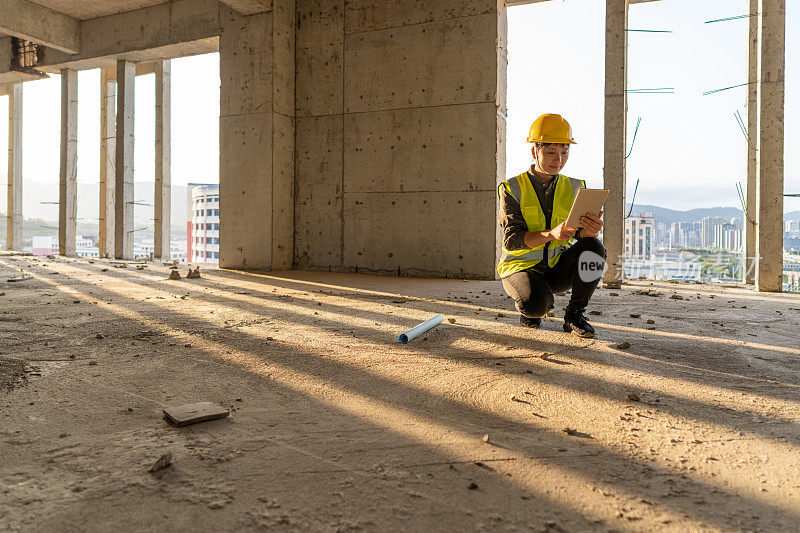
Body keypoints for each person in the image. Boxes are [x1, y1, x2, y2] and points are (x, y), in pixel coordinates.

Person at [497, 114, 606, 338]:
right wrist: (550, 234)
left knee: (595, 248)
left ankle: (575, 314)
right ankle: (533, 306)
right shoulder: (512, 188)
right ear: (534, 151)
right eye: (550, 152)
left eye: (564, 152)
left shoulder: (575, 187)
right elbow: (512, 240)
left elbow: (579, 235)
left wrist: (590, 231)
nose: (558, 160)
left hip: (556, 268)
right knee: (536, 306)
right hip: (520, 268)